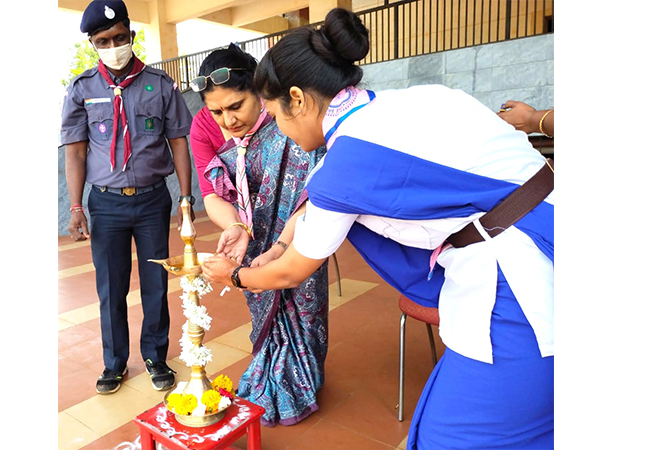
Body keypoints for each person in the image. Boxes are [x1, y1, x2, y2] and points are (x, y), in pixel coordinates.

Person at [202, 8, 554, 449]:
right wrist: (279, 242)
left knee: (451, 436)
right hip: (551, 227)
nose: (286, 134)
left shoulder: (347, 163)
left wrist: (234, 276)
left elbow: (292, 271)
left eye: (278, 116)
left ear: (298, 99)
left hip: (521, 281)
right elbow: (320, 204)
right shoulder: (417, 100)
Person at [190, 44, 330, 427]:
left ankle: (300, 381)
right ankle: (268, 371)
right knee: (264, 312)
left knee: (300, 310)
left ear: (259, 93)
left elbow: (310, 197)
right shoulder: (230, 144)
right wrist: (237, 226)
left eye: (236, 106)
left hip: (300, 240)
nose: (228, 119)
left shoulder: (288, 130)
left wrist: (283, 245)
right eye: (216, 112)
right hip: (254, 245)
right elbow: (213, 194)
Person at [61, 0, 194, 395]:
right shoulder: (82, 89)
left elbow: (178, 144)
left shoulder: (160, 84)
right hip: (106, 203)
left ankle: (156, 357)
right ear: (93, 44)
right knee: (110, 285)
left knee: (156, 281)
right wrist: (75, 207)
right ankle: (114, 363)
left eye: (120, 37)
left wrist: (186, 200)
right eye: (104, 41)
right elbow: (76, 151)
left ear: (131, 37)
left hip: (153, 201)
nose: (114, 45)